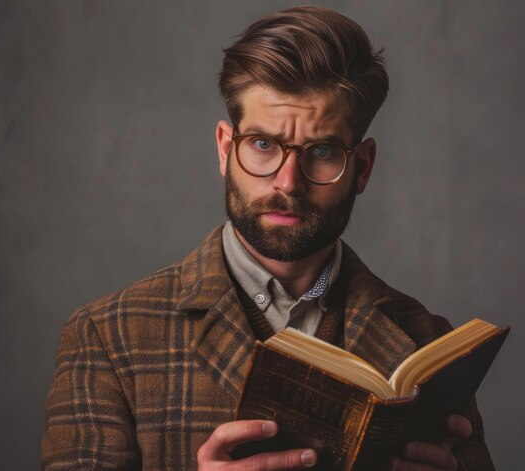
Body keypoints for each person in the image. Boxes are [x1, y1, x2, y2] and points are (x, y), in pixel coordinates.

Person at [41, 6, 495, 470]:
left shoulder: (429, 347)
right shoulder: (107, 337)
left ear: (362, 167)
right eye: (262, 144)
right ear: (225, 149)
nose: (288, 182)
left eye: (322, 152)